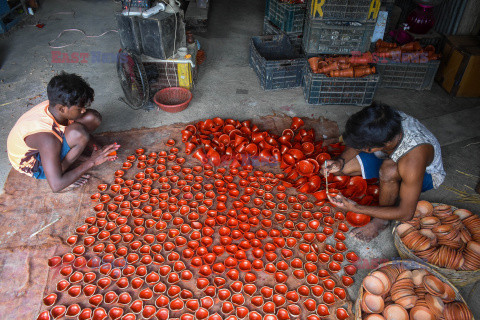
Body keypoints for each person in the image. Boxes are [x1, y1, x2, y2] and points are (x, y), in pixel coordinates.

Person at [323, 102, 446, 240]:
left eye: (362, 146)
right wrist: (340, 161)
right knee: (341, 170)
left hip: (425, 175)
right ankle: (386, 187)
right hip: (386, 154)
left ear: (379, 146)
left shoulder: (413, 158)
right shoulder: (382, 118)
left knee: (388, 170)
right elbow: (360, 140)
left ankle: (381, 221)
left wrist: (356, 208)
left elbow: (406, 213)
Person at [7, 72, 120, 192]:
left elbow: (84, 122)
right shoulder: (48, 139)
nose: (83, 110)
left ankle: (69, 160)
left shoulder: (55, 106)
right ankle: (63, 175)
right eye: (79, 108)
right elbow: (56, 186)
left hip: (44, 146)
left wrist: (98, 149)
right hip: (35, 164)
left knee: (92, 117)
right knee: (78, 134)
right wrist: (92, 161)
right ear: (62, 109)